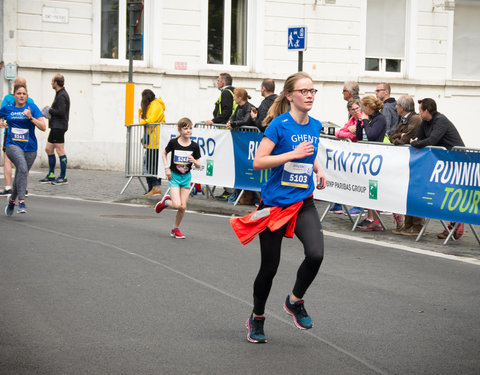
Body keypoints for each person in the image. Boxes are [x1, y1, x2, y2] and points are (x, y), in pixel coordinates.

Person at [230, 72, 327, 344]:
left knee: (316, 254)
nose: (309, 95)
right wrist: (292, 155)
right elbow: (259, 161)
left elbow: (310, 151)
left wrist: (318, 169)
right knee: (269, 268)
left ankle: (295, 301)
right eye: (304, 91)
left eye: (312, 91)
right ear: (289, 95)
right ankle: (257, 317)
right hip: (274, 206)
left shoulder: (315, 125)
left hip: (303, 203)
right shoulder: (278, 126)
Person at [410, 98, 466, 240]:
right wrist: (414, 141)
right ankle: (452, 222)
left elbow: (432, 140)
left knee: (452, 191)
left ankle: (457, 222)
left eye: (420, 110)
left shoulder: (441, 120)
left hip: (457, 160)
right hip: (442, 161)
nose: (418, 112)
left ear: (426, 111)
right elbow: (418, 136)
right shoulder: (425, 122)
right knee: (442, 191)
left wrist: (416, 143)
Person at [0, 83, 46, 215]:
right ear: (14, 95)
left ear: (27, 96)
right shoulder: (7, 108)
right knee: (23, 169)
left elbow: (43, 127)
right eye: (18, 93)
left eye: (24, 94)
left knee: (21, 173)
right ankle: (21, 202)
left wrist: (30, 117)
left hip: (30, 147)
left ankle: (11, 201)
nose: (21, 96)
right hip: (12, 145)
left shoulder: (32, 107)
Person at [154, 117, 201, 239]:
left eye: (190, 128)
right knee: (176, 205)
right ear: (180, 130)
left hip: (186, 177)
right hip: (174, 176)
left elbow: (199, 164)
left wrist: (194, 161)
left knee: (183, 206)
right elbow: (164, 154)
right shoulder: (173, 143)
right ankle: (165, 202)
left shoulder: (194, 146)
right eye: (186, 129)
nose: (189, 131)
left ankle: (175, 228)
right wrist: (166, 168)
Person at [389, 96, 424, 235]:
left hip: (417, 159)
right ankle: (408, 225)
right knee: (408, 192)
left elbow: (404, 138)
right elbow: (393, 136)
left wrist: (401, 137)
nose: (395, 107)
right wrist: (400, 137)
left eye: (397, 105)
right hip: (408, 160)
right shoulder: (404, 119)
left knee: (416, 191)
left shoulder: (415, 119)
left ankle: (417, 226)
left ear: (402, 107)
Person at [356, 95, 387, 231]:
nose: (363, 109)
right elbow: (358, 136)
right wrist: (359, 123)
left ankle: (376, 219)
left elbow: (372, 135)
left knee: (374, 186)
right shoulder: (371, 118)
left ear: (369, 107)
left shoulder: (380, 119)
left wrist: (365, 122)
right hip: (368, 154)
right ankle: (370, 218)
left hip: (377, 155)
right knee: (369, 186)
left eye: (364, 107)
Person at [0, 77, 34, 196]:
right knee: (25, 162)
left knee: (8, 160)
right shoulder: (30, 100)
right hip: (26, 135)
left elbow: (2, 114)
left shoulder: (8, 98)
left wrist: (3, 122)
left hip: (10, 134)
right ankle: (23, 188)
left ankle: (8, 187)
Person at [335, 98, 365, 216]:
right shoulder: (352, 120)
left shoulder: (363, 118)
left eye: (357, 108)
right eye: (352, 109)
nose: (355, 111)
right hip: (351, 153)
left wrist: (352, 133)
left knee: (357, 180)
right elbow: (338, 133)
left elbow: (357, 136)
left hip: (361, 153)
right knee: (343, 177)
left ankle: (358, 206)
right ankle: (338, 203)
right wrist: (349, 130)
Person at [39, 74, 71, 185]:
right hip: (55, 126)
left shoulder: (62, 95)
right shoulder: (59, 94)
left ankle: (63, 177)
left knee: (60, 151)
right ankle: (51, 175)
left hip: (59, 126)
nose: (51, 83)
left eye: (52, 81)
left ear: (56, 82)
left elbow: (61, 112)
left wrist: (49, 110)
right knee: (48, 149)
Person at [138, 89, 166, 196]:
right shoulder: (152, 106)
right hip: (152, 140)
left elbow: (150, 120)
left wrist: (141, 121)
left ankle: (155, 187)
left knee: (152, 165)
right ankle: (152, 188)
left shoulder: (155, 105)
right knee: (149, 165)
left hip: (156, 141)